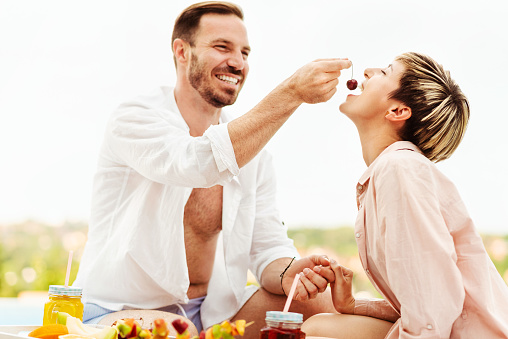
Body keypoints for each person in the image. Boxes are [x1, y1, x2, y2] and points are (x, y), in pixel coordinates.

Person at [74, 1, 346, 337]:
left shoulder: (255, 155)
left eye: (245, 52)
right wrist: (292, 92)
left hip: (209, 313)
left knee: (316, 305)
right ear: (182, 51)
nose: (238, 62)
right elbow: (196, 161)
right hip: (113, 309)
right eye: (222, 47)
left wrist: (290, 271)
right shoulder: (134, 118)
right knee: (177, 331)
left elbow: (267, 249)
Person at [301, 52, 508, 338]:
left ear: (398, 111)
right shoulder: (392, 170)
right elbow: (425, 299)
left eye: (385, 72)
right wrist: (351, 304)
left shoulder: (399, 170)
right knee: (318, 326)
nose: (368, 71)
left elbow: (433, 309)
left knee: (316, 333)